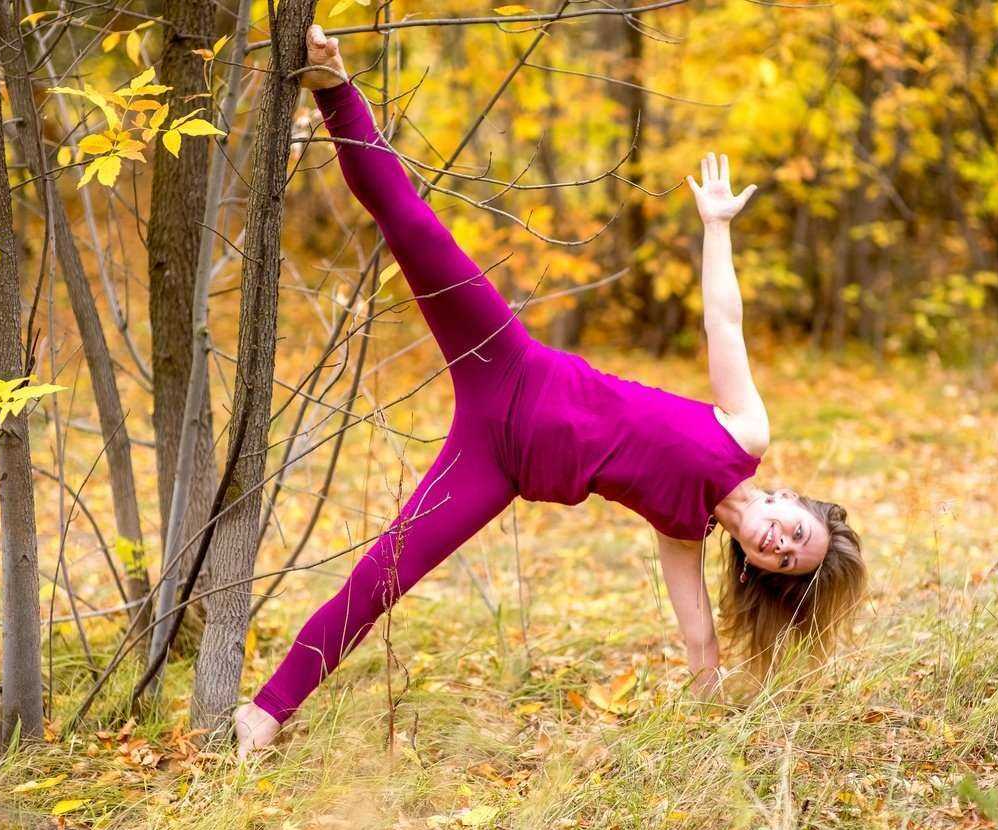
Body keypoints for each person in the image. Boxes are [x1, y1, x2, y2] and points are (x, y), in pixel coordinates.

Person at [235, 25, 865, 758]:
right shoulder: (744, 434)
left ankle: (265, 713)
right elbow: (724, 320)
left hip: (497, 465)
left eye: (785, 560)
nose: (779, 543)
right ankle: (335, 85)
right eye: (796, 532)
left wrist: (728, 714)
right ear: (789, 498)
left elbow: (702, 652)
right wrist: (716, 228)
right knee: (410, 223)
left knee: (385, 573)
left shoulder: (681, 534)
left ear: (760, 571)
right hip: (509, 365)